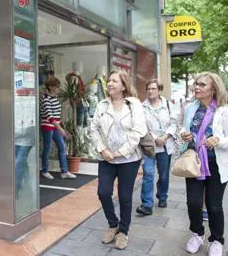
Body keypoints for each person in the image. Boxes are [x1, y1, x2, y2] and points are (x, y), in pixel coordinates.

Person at [178, 72, 228, 256]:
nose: (197, 87)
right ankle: (197, 234)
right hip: (194, 162)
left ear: (213, 89)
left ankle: (217, 240)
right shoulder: (190, 108)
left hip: (217, 165)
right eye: (196, 84)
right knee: (194, 203)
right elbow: (183, 126)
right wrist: (184, 134)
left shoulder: (225, 111)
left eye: (202, 85)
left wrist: (218, 140)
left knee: (214, 205)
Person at [90, 70, 147, 250]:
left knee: (124, 196)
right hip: (106, 157)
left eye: (115, 81)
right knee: (103, 193)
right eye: (109, 81)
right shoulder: (102, 105)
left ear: (124, 85)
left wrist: (118, 153)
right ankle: (113, 224)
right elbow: (94, 129)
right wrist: (103, 149)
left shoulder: (134, 104)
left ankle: (123, 231)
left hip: (129, 159)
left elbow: (138, 132)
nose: (110, 84)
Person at [136, 79, 178, 216]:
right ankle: (147, 204)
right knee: (148, 174)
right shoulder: (142, 107)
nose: (150, 91)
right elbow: (142, 126)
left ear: (159, 90)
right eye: (148, 89)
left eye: (153, 89)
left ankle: (162, 196)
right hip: (149, 146)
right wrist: (155, 138)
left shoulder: (168, 105)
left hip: (165, 146)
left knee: (164, 175)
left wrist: (165, 137)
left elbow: (174, 122)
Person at [40, 76, 76, 179]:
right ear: (50, 87)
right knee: (48, 148)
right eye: (56, 87)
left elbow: (56, 115)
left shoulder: (54, 97)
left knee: (62, 147)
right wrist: (60, 128)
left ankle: (64, 171)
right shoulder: (46, 99)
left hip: (55, 126)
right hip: (48, 126)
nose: (58, 88)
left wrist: (62, 127)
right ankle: (45, 170)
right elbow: (50, 117)